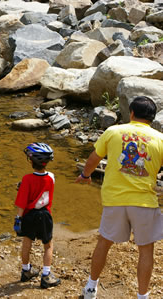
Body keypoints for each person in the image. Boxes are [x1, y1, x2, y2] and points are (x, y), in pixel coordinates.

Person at [76, 96, 163, 299]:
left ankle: (90, 288)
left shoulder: (113, 131)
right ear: (152, 118)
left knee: (104, 243)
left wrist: (85, 176)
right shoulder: (160, 139)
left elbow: (93, 159)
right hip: (144, 202)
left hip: (115, 201)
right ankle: (143, 296)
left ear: (131, 113)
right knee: (146, 250)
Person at [14, 142, 61, 289]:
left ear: (32, 161)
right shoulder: (52, 177)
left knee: (27, 242)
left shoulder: (26, 179)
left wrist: (18, 219)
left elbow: (21, 203)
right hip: (44, 215)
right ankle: (46, 275)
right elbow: (43, 186)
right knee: (48, 245)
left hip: (29, 215)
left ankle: (26, 270)